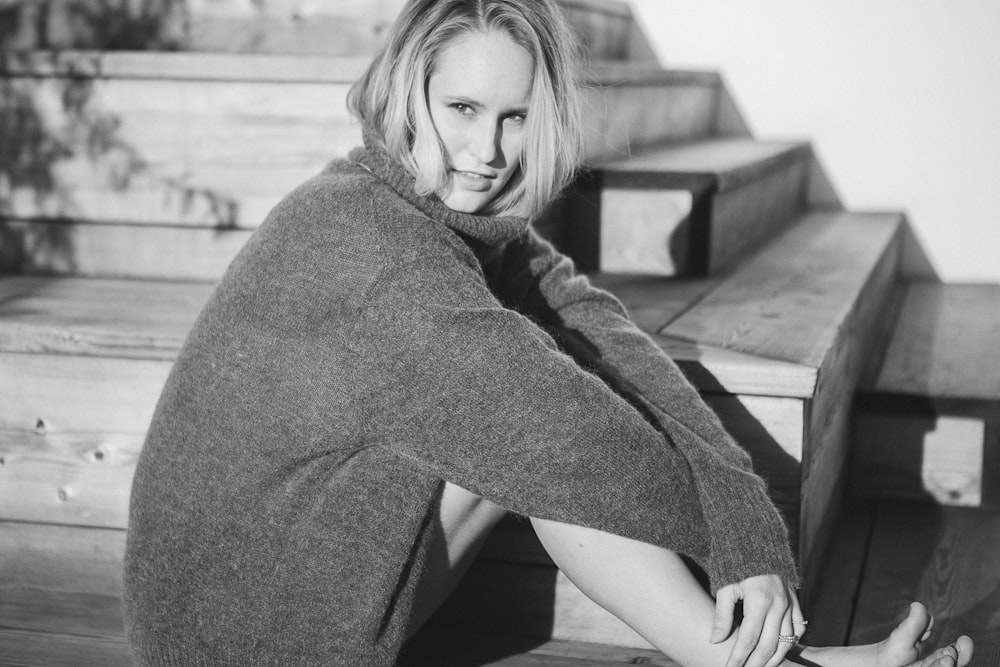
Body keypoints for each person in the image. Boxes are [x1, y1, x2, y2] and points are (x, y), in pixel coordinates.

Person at [122, 1, 974, 665]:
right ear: (404, 91)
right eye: (460, 106)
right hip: (232, 634)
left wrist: (746, 511)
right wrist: (737, 542)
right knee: (549, 436)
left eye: (515, 116)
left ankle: (792, 662)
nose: (487, 150)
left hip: (279, 579)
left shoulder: (461, 224)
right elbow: (581, 449)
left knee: (558, 385)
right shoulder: (372, 250)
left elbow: (606, 332)